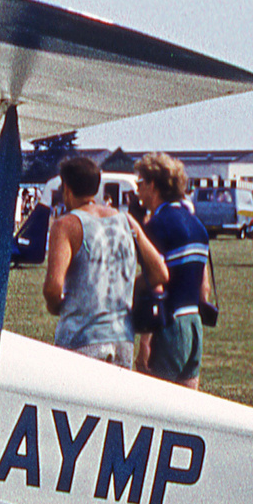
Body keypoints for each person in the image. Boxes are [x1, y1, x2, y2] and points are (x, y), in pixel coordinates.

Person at [43, 156, 166, 370]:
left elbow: (53, 288)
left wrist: (56, 307)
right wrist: (127, 286)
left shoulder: (66, 225)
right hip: (122, 338)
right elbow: (160, 273)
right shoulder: (126, 220)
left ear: (66, 189)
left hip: (81, 337)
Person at [135, 152, 211, 390]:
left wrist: (145, 341)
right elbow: (204, 288)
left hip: (169, 325)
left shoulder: (156, 226)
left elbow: (156, 283)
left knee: (156, 399)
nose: (137, 190)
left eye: (140, 183)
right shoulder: (197, 225)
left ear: (153, 185)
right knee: (188, 402)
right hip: (194, 324)